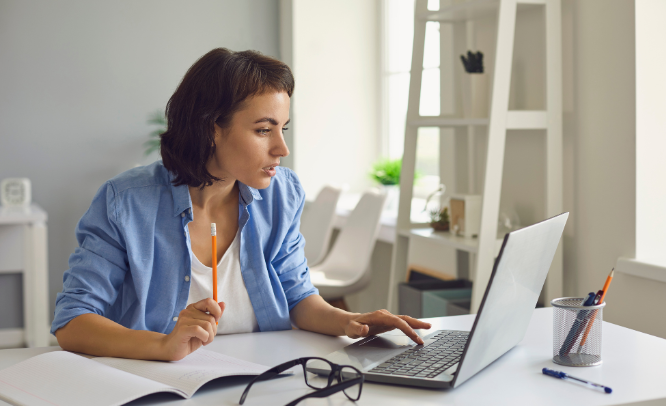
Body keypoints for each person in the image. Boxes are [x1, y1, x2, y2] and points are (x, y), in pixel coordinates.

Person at [52, 48, 430, 361]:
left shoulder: (282, 192)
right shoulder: (127, 202)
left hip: (259, 379)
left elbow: (298, 296)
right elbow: (73, 321)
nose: (281, 148)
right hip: (158, 388)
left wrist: (352, 322)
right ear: (211, 127)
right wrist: (163, 345)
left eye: (283, 128)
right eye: (263, 130)